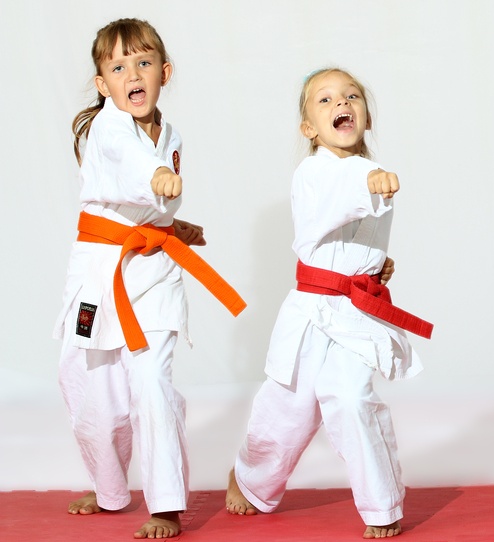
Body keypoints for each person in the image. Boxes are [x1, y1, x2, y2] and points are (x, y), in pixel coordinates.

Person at [55, 18, 246, 539]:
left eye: (143, 63)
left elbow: (142, 206)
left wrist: (173, 225)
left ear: (165, 72)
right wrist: (157, 178)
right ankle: (109, 489)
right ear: (103, 84)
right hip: (100, 276)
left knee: (153, 385)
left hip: (155, 274)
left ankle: (166, 504)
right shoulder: (108, 128)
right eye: (118, 67)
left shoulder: (172, 134)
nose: (133, 74)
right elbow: (132, 166)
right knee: (94, 392)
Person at [224, 67, 431, 540]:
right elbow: (338, 198)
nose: (342, 103)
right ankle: (250, 477)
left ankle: (382, 504)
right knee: (287, 407)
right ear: (309, 129)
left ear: (366, 116)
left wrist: (373, 264)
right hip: (311, 311)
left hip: (355, 313)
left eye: (352, 96)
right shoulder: (317, 172)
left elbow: (350, 236)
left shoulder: (373, 173)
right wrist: (370, 180)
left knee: (350, 396)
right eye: (326, 99)